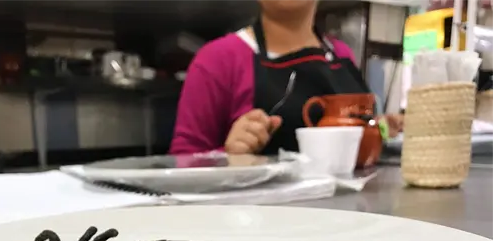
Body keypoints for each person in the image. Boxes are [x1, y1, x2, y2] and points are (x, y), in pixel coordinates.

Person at [169, 0, 404, 156]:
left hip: (347, 212)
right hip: (256, 215)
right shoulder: (218, 59)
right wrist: (228, 156)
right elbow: (183, 162)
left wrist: (380, 129)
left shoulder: (341, 54)